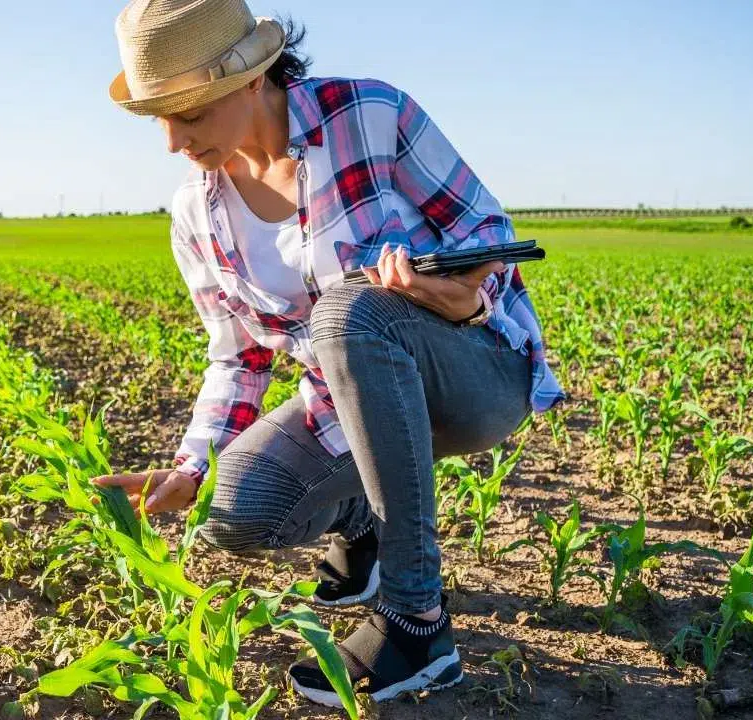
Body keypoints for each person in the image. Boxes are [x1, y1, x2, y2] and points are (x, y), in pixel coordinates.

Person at [92, 0, 566, 706]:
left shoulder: (371, 116)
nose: (171, 141)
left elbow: (486, 232)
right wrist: (193, 467)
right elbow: (238, 356)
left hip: (475, 370)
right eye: (158, 118)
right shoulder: (197, 212)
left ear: (251, 78)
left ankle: (416, 620)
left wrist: (461, 298)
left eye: (188, 114)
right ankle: (364, 528)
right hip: (346, 400)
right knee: (230, 513)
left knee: (350, 311)